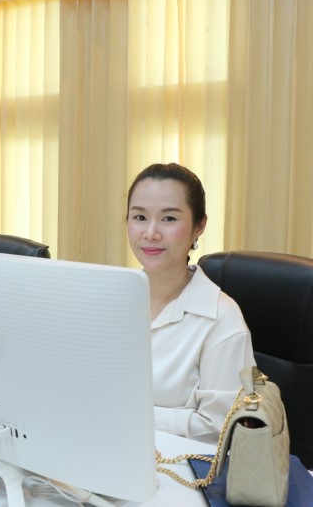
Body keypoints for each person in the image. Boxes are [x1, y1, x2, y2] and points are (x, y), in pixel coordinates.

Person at [126, 163, 255, 443]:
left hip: (183, 463)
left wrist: (126, 414)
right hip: (105, 448)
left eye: (169, 219)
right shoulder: (112, 300)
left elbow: (219, 427)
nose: (150, 233)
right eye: (139, 217)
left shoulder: (222, 319)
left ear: (199, 226)